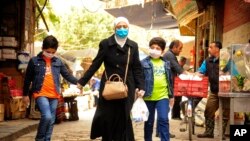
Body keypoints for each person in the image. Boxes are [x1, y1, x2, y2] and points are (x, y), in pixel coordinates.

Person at [77, 17, 145, 141]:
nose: (122, 29)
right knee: (107, 117)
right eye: (119, 27)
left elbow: (137, 68)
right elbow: (96, 64)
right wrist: (82, 81)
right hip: (108, 86)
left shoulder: (133, 46)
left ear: (128, 28)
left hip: (127, 86)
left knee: (124, 117)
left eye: (125, 26)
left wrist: (140, 86)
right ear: (114, 28)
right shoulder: (105, 44)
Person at [22, 35, 78, 141]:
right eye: (48, 51)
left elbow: (67, 75)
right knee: (46, 116)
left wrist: (79, 82)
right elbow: (27, 79)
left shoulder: (58, 62)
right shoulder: (34, 61)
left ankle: (47, 139)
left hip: (54, 94)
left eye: (53, 52)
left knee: (51, 120)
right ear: (43, 49)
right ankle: (39, 138)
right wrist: (25, 95)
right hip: (40, 93)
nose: (50, 54)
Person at [141, 37, 174, 141]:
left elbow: (169, 81)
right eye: (152, 47)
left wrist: (171, 96)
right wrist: (139, 90)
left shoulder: (166, 63)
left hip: (162, 97)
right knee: (149, 122)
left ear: (162, 51)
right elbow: (139, 78)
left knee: (164, 119)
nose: (154, 50)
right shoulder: (143, 63)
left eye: (157, 48)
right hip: (148, 97)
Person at [196, 41, 229, 140]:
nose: (208, 49)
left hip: (226, 91)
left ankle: (221, 133)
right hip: (214, 91)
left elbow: (233, 72)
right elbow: (201, 72)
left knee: (225, 112)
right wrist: (192, 76)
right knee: (209, 110)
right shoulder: (208, 61)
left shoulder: (226, 59)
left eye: (211, 47)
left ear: (217, 49)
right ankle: (209, 132)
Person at [163, 40, 187, 120]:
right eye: (180, 48)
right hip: (167, 85)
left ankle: (163, 131)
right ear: (174, 47)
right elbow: (178, 68)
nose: (181, 50)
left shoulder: (171, 55)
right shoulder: (169, 55)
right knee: (165, 108)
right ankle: (162, 131)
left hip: (171, 83)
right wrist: (189, 75)